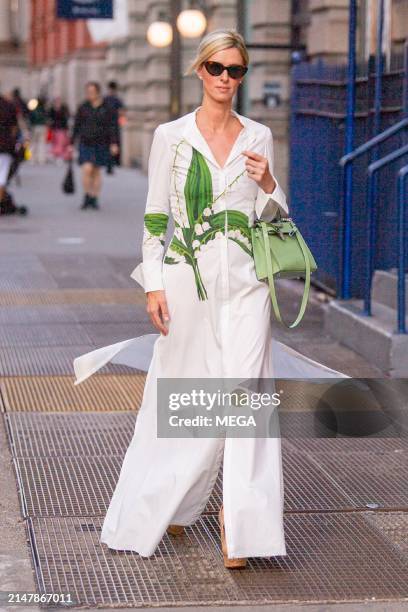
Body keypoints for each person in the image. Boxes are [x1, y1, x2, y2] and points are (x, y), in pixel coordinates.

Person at [72, 29, 347, 567]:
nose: (226, 79)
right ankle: (176, 497)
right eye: (218, 69)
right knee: (186, 397)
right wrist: (152, 282)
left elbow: (274, 217)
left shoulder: (259, 136)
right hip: (186, 284)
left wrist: (269, 183)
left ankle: (239, 525)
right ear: (200, 70)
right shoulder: (171, 137)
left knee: (246, 399)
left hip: (246, 285)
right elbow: (157, 218)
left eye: (236, 71)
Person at [70, 81, 119, 210]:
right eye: (88, 92)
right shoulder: (83, 107)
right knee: (87, 168)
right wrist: (71, 143)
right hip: (86, 142)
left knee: (96, 171)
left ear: (98, 92)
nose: (89, 94)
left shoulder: (107, 108)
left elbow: (113, 127)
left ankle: (94, 197)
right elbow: (76, 126)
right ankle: (87, 195)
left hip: (101, 143)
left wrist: (114, 143)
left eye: (92, 92)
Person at [104, 80, 125, 174]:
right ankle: (112, 163)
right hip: (114, 126)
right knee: (114, 144)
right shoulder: (117, 100)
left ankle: (109, 164)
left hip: (107, 125)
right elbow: (122, 113)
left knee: (109, 145)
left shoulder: (105, 99)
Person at [47, 97, 70, 164]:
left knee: (61, 143)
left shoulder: (64, 109)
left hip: (62, 128)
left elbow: (66, 117)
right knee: (54, 142)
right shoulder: (52, 109)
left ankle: (60, 156)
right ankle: (55, 156)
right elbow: (49, 117)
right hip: (54, 128)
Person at [29, 95, 48, 164]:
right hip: (42, 127)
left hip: (35, 127)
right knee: (41, 144)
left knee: (34, 143)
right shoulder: (44, 109)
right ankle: (41, 159)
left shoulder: (34, 109)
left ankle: (32, 158)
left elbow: (31, 118)